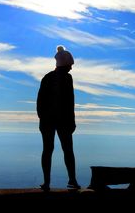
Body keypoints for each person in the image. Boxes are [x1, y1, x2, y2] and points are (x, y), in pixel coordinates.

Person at [37, 45, 80, 192]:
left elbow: (40, 102)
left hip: (50, 121)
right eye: (70, 65)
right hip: (62, 121)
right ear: (64, 65)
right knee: (67, 150)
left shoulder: (49, 77)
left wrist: (43, 119)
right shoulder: (66, 78)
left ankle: (48, 182)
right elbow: (70, 102)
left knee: (49, 150)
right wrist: (71, 121)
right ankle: (71, 180)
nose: (71, 68)